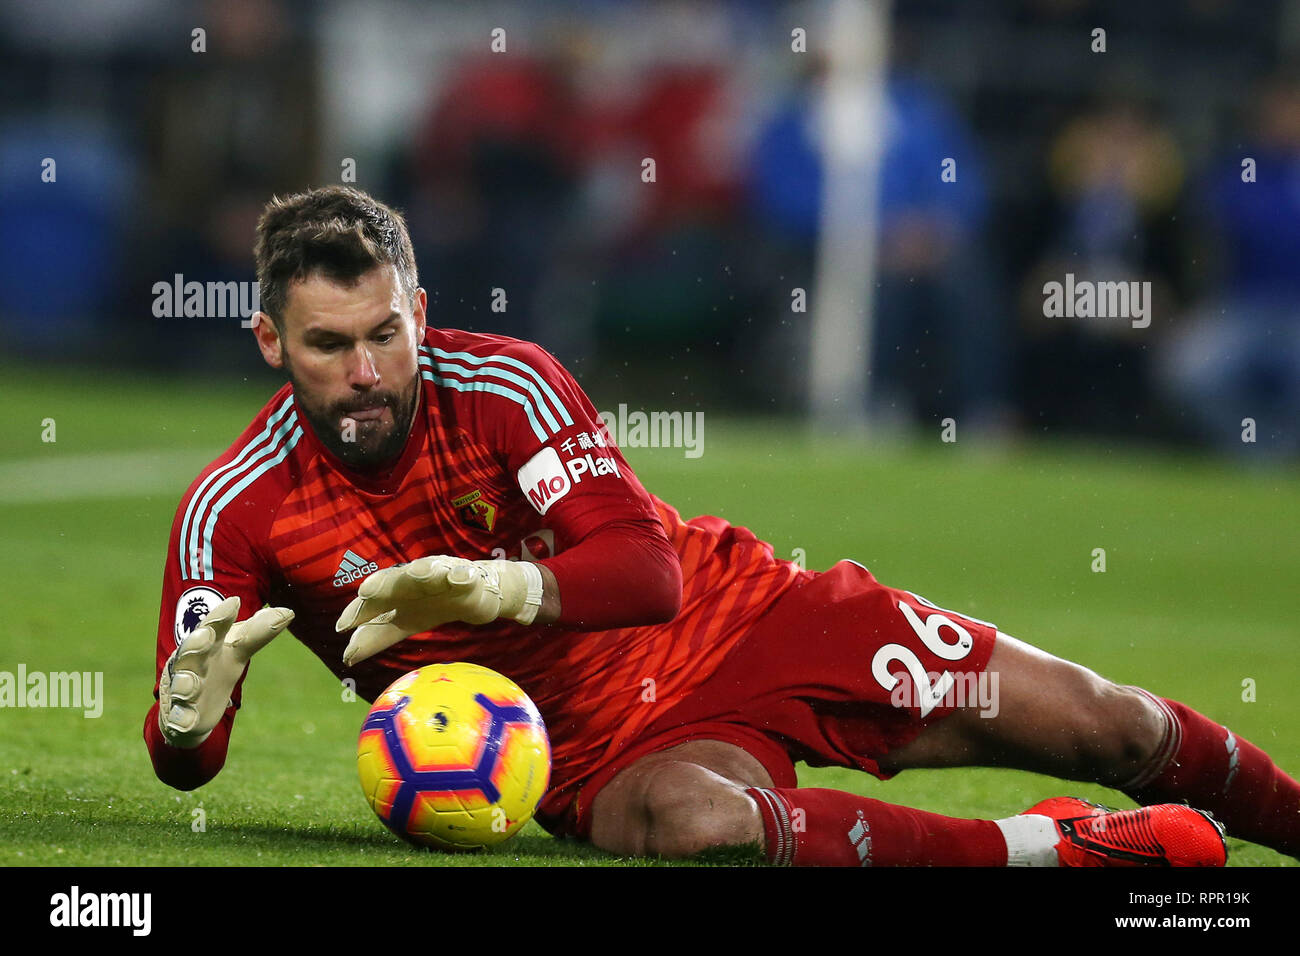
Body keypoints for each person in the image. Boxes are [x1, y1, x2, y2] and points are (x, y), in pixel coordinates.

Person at [146, 185, 1298, 867]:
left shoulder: (505, 387)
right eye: (327, 346)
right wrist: (184, 720)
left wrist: (490, 588)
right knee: (701, 826)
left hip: (749, 614)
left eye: (385, 335)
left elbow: (645, 570)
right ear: (268, 344)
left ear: (420, 312)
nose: (366, 372)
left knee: (1103, 719)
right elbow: (188, 763)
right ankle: (1056, 844)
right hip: (599, 755)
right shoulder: (232, 510)